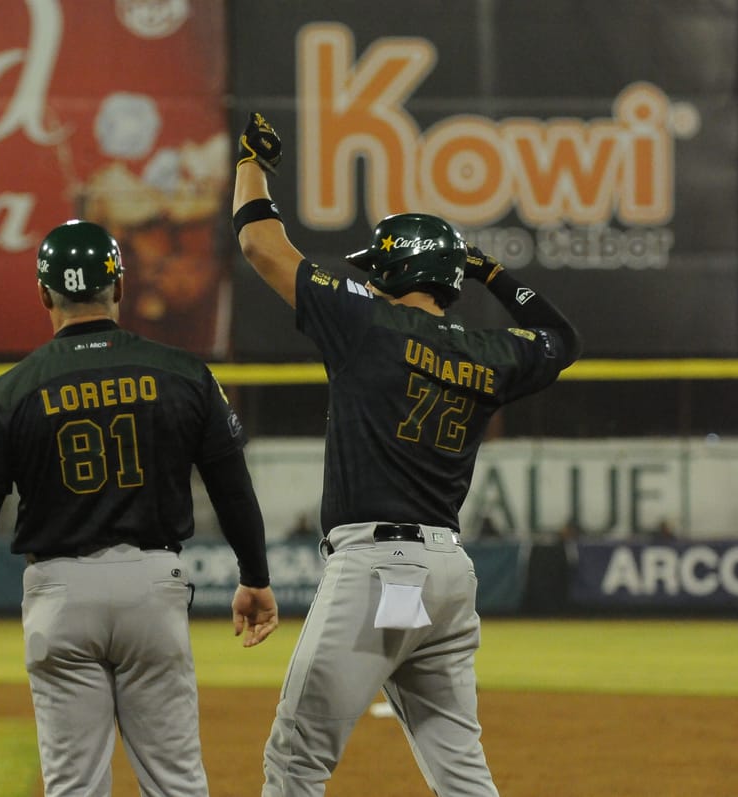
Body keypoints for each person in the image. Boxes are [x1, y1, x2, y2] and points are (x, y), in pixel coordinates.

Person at [232, 112, 582, 796]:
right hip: (448, 575)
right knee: (459, 768)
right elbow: (561, 336)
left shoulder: (366, 318)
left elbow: (259, 244)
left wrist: (252, 163)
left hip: (376, 570)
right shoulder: (492, 352)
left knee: (296, 759)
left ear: (395, 268)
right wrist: (489, 272)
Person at [0, 219, 279, 797]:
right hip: (152, 586)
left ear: (43, 294)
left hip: (59, 592)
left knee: (73, 788)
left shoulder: (10, 391)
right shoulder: (185, 373)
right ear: (120, 285)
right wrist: (255, 575)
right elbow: (232, 486)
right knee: (177, 782)